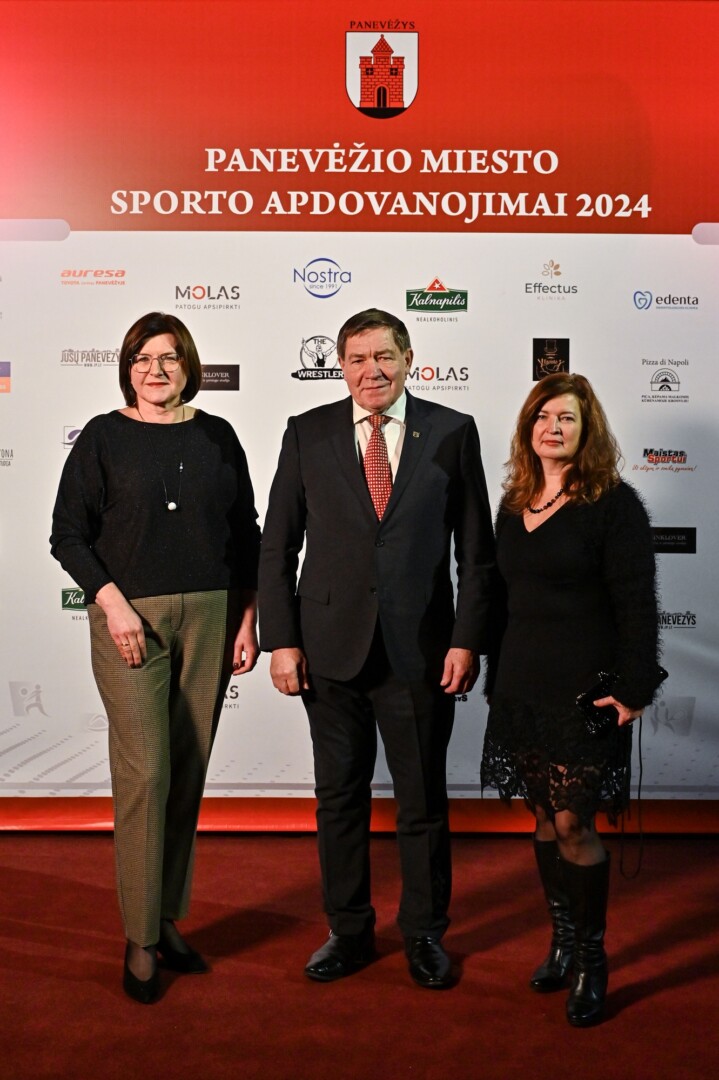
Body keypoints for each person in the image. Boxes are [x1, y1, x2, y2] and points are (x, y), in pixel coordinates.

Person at [259, 308, 495, 989]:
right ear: (341, 366)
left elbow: (476, 553)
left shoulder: (451, 431)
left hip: (421, 653)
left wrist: (465, 640)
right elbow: (278, 546)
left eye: (385, 356)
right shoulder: (306, 432)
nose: (372, 370)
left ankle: (423, 934)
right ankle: (348, 930)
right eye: (358, 358)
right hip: (328, 650)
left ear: (409, 359)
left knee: (421, 802)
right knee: (338, 799)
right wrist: (282, 640)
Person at [51, 312, 260, 1004]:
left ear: (188, 365)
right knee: (146, 774)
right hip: (129, 619)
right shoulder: (102, 437)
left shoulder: (217, 435)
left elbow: (246, 533)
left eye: (168, 357)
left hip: (211, 613)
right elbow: (67, 535)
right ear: (127, 367)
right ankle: (140, 937)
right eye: (142, 358)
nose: (155, 370)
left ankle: (167, 917)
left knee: (187, 772)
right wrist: (113, 605)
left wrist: (247, 616)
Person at [481, 372, 663, 1027]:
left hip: (585, 689)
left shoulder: (613, 504)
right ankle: (560, 941)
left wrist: (633, 687)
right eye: (542, 417)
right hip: (521, 683)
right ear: (527, 427)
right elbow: (500, 599)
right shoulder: (512, 503)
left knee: (571, 823)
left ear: (587, 432)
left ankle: (591, 958)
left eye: (566, 419)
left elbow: (636, 604)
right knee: (540, 817)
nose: (552, 428)